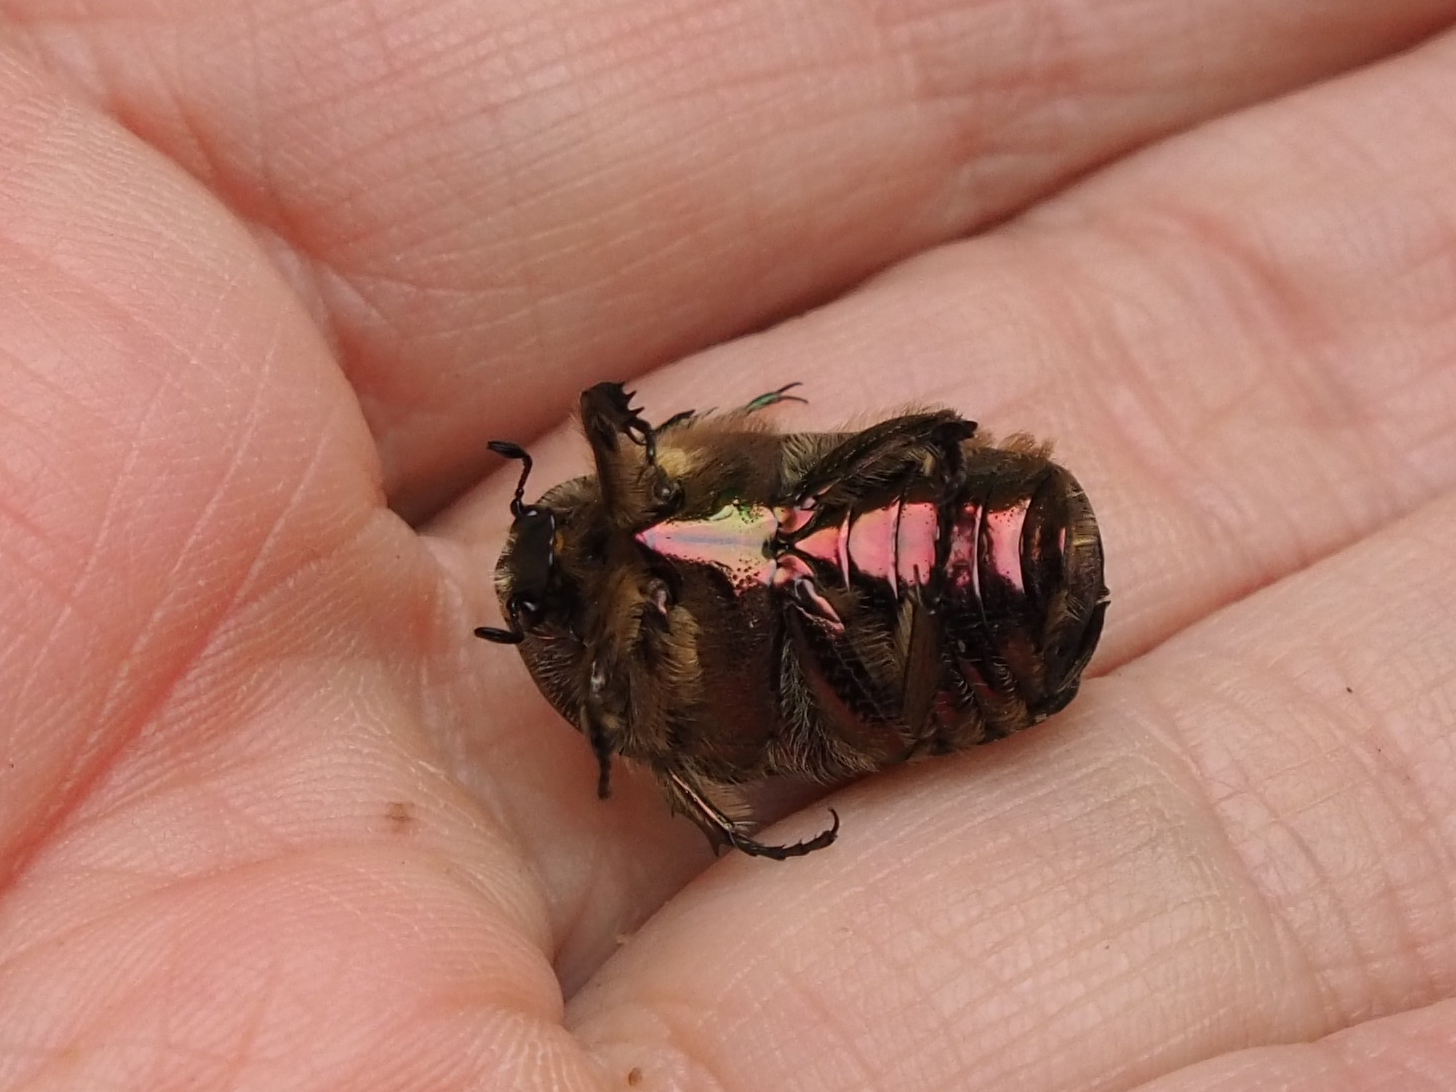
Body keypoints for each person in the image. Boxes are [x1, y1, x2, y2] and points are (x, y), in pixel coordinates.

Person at [3, 2, 1453, 1087]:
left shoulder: (662, 503)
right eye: (549, 587)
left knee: (763, 531)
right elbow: (693, 695)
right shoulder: (640, 687)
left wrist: (670, 504)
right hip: (920, 643)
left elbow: (710, 508)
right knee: (768, 573)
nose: (543, 573)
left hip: (941, 531)